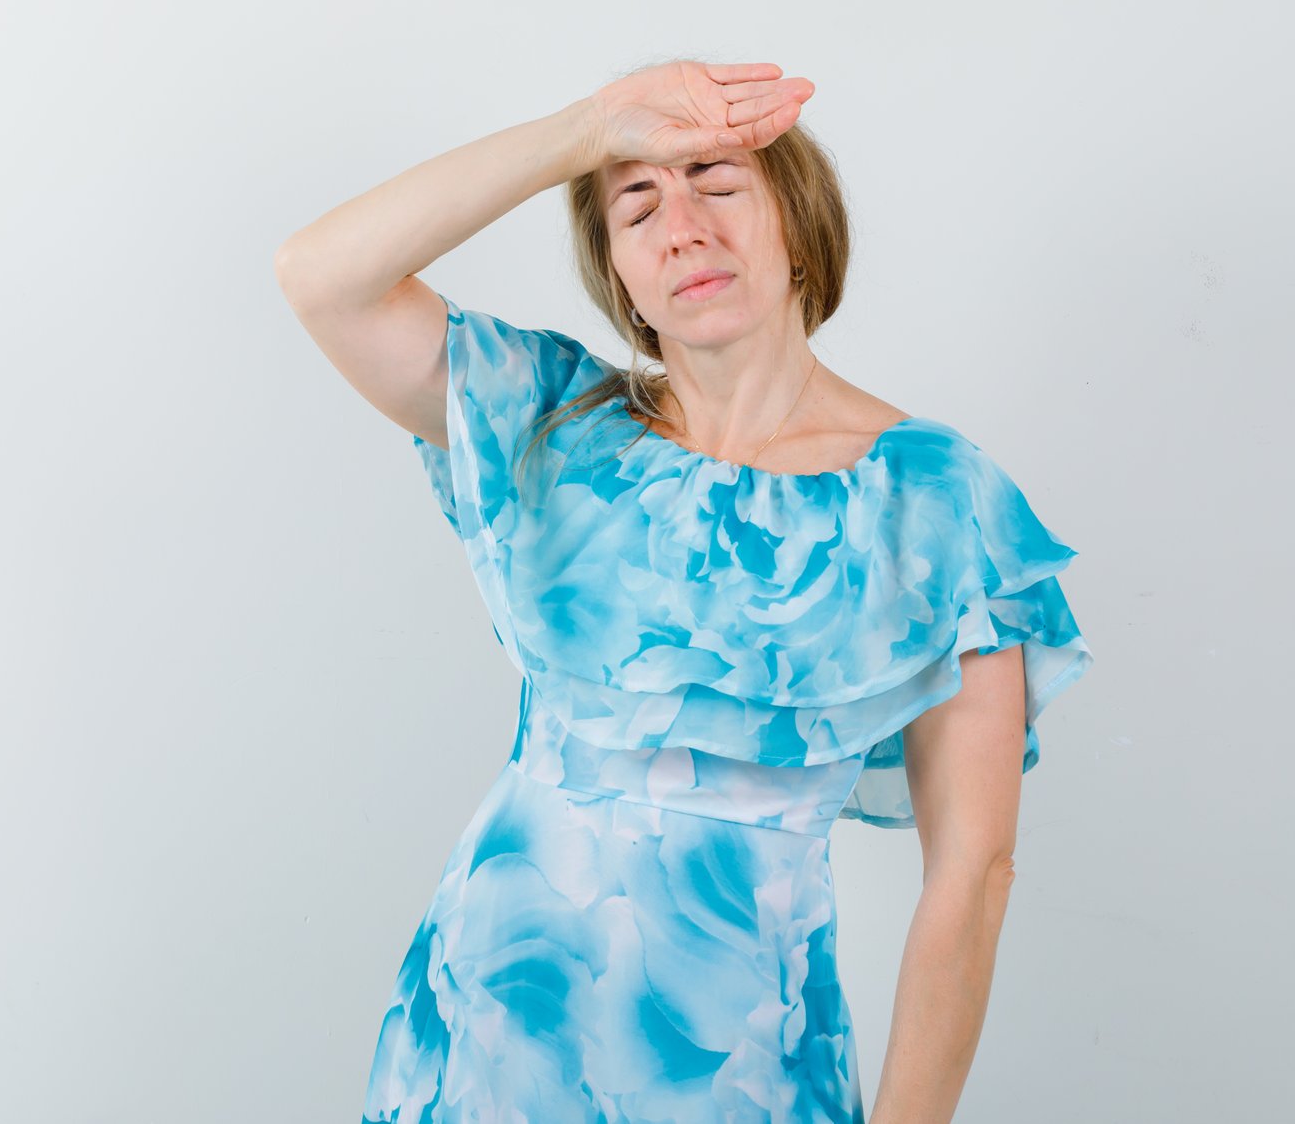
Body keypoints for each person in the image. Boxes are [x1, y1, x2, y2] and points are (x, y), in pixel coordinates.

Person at [273, 59, 1093, 1124]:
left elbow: (970, 877)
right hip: (482, 1036)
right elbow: (317, 274)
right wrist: (581, 132)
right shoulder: (553, 423)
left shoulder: (934, 501)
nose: (681, 227)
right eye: (636, 203)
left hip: (736, 1063)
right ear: (619, 273)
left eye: (716, 181)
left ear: (795, 225)